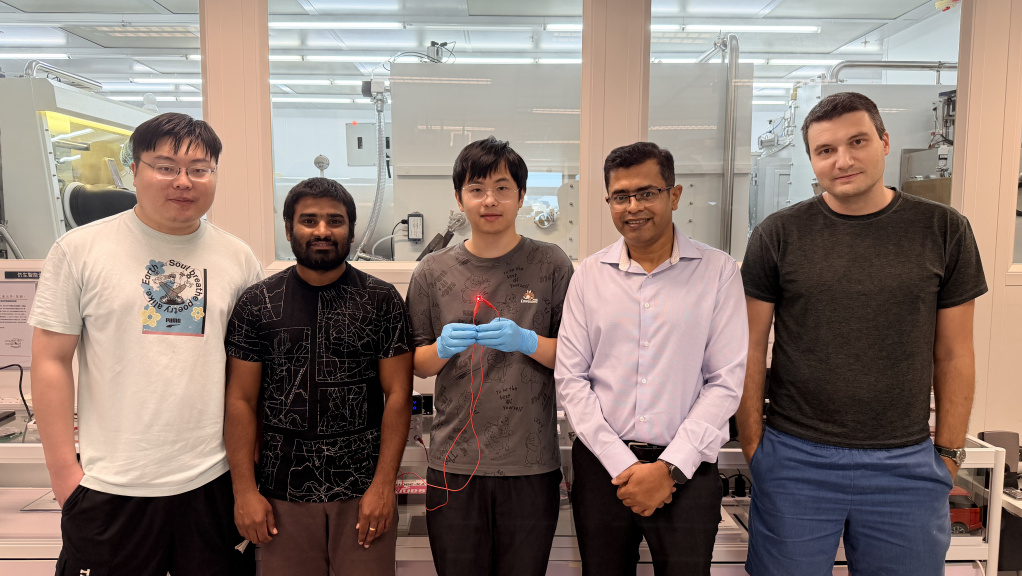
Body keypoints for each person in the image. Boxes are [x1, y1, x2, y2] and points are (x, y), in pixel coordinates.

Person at [738, 91, 988, 575]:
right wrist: (756, 448)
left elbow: (955, 353)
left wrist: (949, 457)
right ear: (811, 159)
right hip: (795, 461)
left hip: (906, 465)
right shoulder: (778, 234)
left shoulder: (943, 230)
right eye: (825, 150)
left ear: (884, 141)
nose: (843, 160)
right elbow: (748, 348)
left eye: (857, 142)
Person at [29, 112, 264, 575]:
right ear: (134, 170)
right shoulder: (80, 250)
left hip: (211, 484)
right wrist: (65, 478)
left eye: (200, 169)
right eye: (165, 166)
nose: (183, 181)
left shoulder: (238, 258)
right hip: (110, 485)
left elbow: (251, 371)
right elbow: (50, 360)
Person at [554, 141, 748, 575]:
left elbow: (725, 381)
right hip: (603, 470)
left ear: (673, 195)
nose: (633, 207)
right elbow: (571, 379)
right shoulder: (588, 275)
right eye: (620, 197)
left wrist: (669, 469)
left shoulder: (717, 272)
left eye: (646, 193)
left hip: (688, 470)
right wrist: (623, 465)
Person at [224, 177, 412, 576]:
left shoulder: (381, 301)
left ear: (351, 229)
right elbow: (241, 400)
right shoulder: (258, 303)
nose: (323, 231)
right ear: (289, 228)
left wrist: (383, 486)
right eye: (309, 220)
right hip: (281, 495)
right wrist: (244, 492)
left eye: (335, 221)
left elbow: (398, 394)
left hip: (363, 494)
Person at [405, 136, 574, 576]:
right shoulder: (432, 272)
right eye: (476, 188)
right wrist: (440, 350)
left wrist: (528, 342)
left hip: (530, 465)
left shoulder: (552, 264)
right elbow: (415, 363)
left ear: (521, 196)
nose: (490, 200)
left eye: (502, 187)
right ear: (459, 198)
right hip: (453, 464)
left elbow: (577, 356)